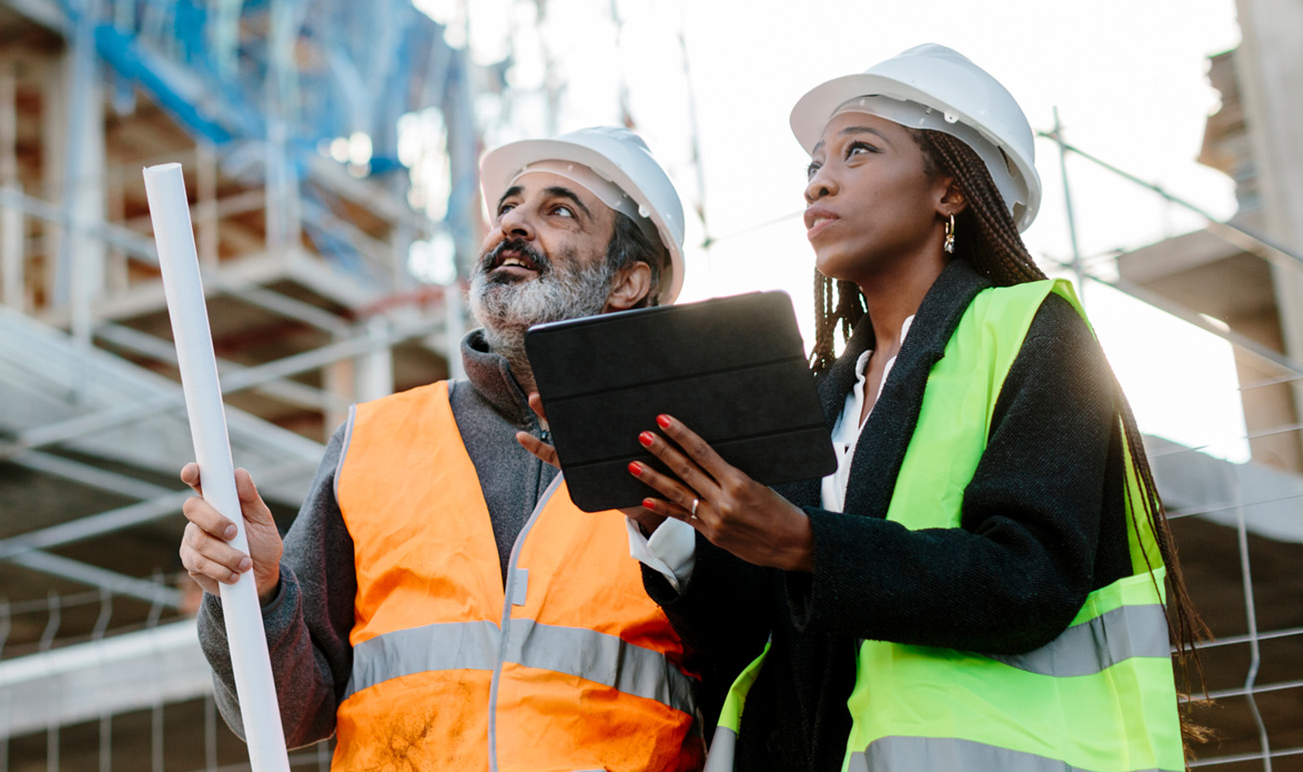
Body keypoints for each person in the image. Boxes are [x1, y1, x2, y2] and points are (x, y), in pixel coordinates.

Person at [599, 45, 1202, 771]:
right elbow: (750, 639)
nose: (820, 181)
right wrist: (666, 518)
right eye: (815, 165)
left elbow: (1031, 578)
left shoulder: (1034, 331)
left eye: (857, 152)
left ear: (950, 189)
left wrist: (807, 542)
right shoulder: (819, 396)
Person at [178, 127, 708, 770]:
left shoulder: (691, 450)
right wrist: (256, 594)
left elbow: (758, 683)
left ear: (628, 281)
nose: (512, 227)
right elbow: (290, 713)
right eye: (507, 208)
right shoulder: (375, 439)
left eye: (559, 210)